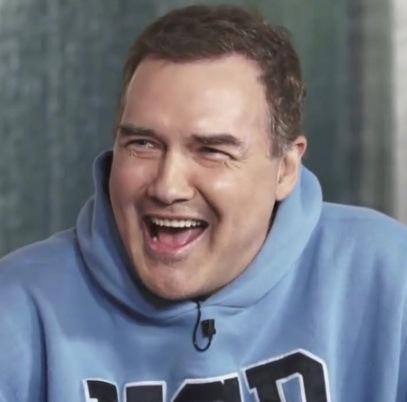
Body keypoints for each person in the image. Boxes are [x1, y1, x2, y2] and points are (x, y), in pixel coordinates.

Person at [1, 4, 406, 402]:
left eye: (212, 150)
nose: (168, 187)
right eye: (143, 144)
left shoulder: (387, 276)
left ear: (285, 169)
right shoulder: (18, 306)